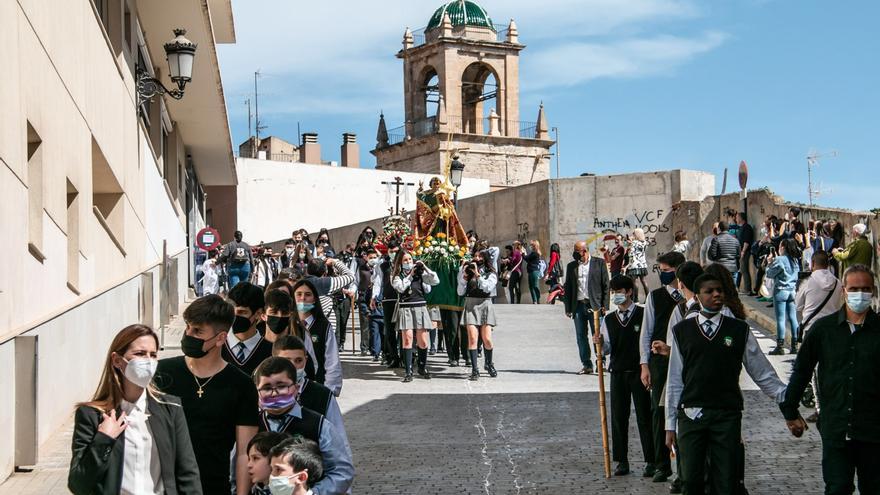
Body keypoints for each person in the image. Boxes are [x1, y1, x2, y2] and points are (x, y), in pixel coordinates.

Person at [665, 274, 788, 495]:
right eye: (709, 291)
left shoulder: (738, 330)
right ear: (698, 296)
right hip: (691, 415)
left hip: (726, 415)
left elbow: (761, 371)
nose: (716, 295)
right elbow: (675, 379)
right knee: (691, 480)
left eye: (719, 290)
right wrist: (669, 424)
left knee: (727, 481)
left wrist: (786, 398)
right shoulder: (683, 331)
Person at [780, 264, 880, 495]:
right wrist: (790, 410)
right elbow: (802, 370)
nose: (859, 294)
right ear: (844, 291)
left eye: (865, 289)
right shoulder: (824, 330)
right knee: (837, 488)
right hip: (836, 429)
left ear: (873, 291)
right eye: (854, 289)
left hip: (874, 431)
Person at [68, 324, 201, 495]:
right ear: (117, 360)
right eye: (139, 354)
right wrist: (104, 439)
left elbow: (188, 474)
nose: (148, 361)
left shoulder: (171, 408)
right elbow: (78, 484)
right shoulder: (92, 415)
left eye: (153, 355)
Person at [154, 295, 259, 495]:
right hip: (164, 486)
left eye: (197, 331)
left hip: (213, 486)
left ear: (220, 338)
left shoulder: (241, 385)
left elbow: (245, 453)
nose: (188, 334)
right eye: (188, 327)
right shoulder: (162, 372)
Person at [253, 358, 353, 494]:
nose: (274, 393)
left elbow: (342, 472)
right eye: (266, 388)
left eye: (281, 386)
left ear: (296, 388)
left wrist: (313, 493)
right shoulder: (251, 425)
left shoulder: (318, 424)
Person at [593, 275, 655, 478]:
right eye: (613, 292)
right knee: (619, 417)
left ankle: (650, 460)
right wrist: (600, 344)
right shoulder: (609, 319)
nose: (615, 296)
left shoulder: (643, 314)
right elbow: (607, 349)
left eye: (618, 292)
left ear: (628, 292)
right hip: (618, 372)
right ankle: (621, 460)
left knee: (645, 417)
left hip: (639, 372)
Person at [638, 250, 686, 483]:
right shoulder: (655, 297)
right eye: (661, 271)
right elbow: (646, 333)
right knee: (658, 411)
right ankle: (661, 463)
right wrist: (644, 364)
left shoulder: (689, 299)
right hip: (659, 362)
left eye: (666, 271)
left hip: (685, 360)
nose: (663, 275)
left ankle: (685, 467)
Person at [794, 250, 843, 423]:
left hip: (812, 331)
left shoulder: (808, 282)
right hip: (834, 330)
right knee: (831, 368)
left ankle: (820, 409)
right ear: (828, 264)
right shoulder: (837, 282)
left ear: (813, 264)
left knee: (813, 371)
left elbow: (797, 305)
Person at [272, 335, 349, 444]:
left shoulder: (322, 395)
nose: (293, 366)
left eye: (298, 360)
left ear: (306, 360)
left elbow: (338, 436)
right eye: (286, 361)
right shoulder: (265, 393)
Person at [391, 250, 440, 382]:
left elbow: (435, 281)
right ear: (400, 262)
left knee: (423, 341)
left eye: (410, 260)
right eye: (405, 260)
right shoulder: (397, 276)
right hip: (405, 308)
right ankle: (408, 371)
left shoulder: (421, 274)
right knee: (407, 340)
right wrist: (410, 276)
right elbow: (400, 288)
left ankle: (422, 367)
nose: (408, 262)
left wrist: (425, 268)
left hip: (420, 307)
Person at [563, 240, 610, 375]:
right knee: (580, 336)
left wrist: (605, 305)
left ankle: (601, 362)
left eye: (577, 251)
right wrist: (568, 307)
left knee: (598, 335)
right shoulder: (571, 266)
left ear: (584, 251)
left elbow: (606, 285)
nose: (574, 254)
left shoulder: (599, 263)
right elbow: (569, 287)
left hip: (594, 305)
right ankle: (586, 364)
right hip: (578, 306)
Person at [291, 279, 343, 396]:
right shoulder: (288, 325)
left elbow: (332, 360)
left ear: (314, 299)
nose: (303, 299)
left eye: (307, 295)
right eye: (298, 294)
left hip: (317, 385)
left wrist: (329, 390)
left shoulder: (323, 326)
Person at [458, 249, 499, 380]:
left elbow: (487, 288)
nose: (476, 259)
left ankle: (488, 363)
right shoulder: (467, 272)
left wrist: (477, 274)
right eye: (475, 256)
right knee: (473, 339)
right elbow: (460, 292)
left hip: (485, 304)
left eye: (480, 256)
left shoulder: (490, 273)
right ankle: (475, 369)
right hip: (470, 304)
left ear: (485, 259)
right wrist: (464, 276)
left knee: (487, 339)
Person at [224, 282, 275, 376]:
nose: (235, 317)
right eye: (232, 311)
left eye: (241, 312)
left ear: (258, 314)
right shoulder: (216, 347)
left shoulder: (271, 352)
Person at [766, 238, 801, 355]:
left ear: (783, 247)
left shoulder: (780, 260)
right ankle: (795, 345)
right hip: (792, 291)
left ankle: (780, 346)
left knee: (781, 319)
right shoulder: (795, 260)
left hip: (781, 290)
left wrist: (769, 262)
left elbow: (770, 274)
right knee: (793, 318)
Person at [374, 243, 401, 368]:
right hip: (388, 299)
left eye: (396, 250)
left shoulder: (404, 262)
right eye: (391, 250)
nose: (394, 253)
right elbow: (378, 281)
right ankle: (393, 357)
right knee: (389, 330)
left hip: (402, 299)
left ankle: (407, 356)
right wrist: (374, 296)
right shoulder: (383, 265)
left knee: (403, 330)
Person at [357, 248, 381, 359]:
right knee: (365, 323)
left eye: (375, 257)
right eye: (370, 257)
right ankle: (364, 347)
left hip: (375, 298)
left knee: (375, 325)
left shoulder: (379, 268)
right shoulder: (361, 268)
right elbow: (356, 281)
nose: (373, 260)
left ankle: (374, 349)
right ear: (366, 257)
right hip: (363, 297)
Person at [624, 229, 649, 303]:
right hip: (643, 264)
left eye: (634, 233)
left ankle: (636, 299)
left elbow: (630, 254)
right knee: (644, 281)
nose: (633, 235)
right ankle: (647, 298)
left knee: (635, 282)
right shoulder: (644, 242)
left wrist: (630, 244)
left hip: (635, 264)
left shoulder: (634, 243)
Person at [736, 212, 754, 294]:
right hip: (741, 251)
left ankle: (747, 289)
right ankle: (746, 289)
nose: (736, 219)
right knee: (742, 270)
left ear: (741, 218)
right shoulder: (741, 227)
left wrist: (743, 251)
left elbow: (746, 241)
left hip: (745, 252)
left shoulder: (747, 227)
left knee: (744, 270)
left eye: (737, 217)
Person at [525, 239, 544, 304]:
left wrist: (522, 253)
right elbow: (527, 259)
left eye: (532, 245)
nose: (531, 246)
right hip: (530, 271)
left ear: (535, 246)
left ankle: (538, 299)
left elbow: (527, 258)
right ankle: (534, 300)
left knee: (535, 286)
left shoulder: (535, 253)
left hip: (534, 271)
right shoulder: (532, 253)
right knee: (531, 287)